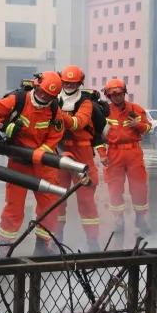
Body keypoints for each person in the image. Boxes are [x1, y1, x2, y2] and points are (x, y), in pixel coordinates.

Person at [0, 71, 66, 255]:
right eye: (42, 93)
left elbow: (55, 134)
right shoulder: (17, 100)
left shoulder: (53, 108)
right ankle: (4, 249)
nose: (44, 98)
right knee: (14, 207)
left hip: (43, 162)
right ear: (36, 86)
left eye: (49, 96)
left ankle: (42, 248)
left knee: (49, 205)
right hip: (19, 160)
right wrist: (3, 126)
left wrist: (42, 152)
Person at [54, 65, 105, 251]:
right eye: (65, 82)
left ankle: (92, 241)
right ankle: (56, 237)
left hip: (82, 156)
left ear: (79, 83)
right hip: (58, 153)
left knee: (86, 201)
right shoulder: (54, 99)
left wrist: (56, 113)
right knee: (57, 197)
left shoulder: (86, 103)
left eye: (72, 83)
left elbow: (79, 123)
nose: (68, 85)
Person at [100, 78, 151, 240]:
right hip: (114, 154)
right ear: (108, 95)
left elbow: (148, 127)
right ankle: (118, 220)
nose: (116, 97)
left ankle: (141, 219)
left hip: (134, 152)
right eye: (112, 94)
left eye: (119, 93)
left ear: (124, 93)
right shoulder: (104, 112)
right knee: (115, 189)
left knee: (139, 188)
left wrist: (138, 125)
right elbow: (97, 136)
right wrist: (102, 154)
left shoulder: (136, 109)